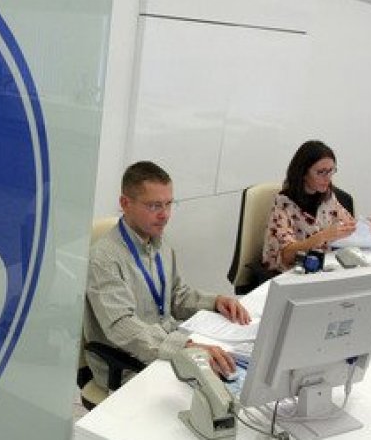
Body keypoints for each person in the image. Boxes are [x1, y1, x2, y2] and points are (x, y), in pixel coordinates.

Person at [84, 161, 251, 391]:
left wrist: (215, 302)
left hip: (165, 343)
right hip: (130, 362)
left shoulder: (159, 243)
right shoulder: (103, 259)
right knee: (212, 397)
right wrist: (184, 347)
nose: (165, 215)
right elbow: (123, 328)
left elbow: (176, 296)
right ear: (125, 204)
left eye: (169, 204)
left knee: (233, 376)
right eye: (154, 206)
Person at [262, 140, 371, 273]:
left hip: (321, 268)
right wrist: (322, 237)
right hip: (290, 273)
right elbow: (286, 256)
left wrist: (368, 225)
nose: (328, 178)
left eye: (331, 171)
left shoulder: (327, 196)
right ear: (303, 173)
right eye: (321, 172)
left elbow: (347, 226)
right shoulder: (284, 202)